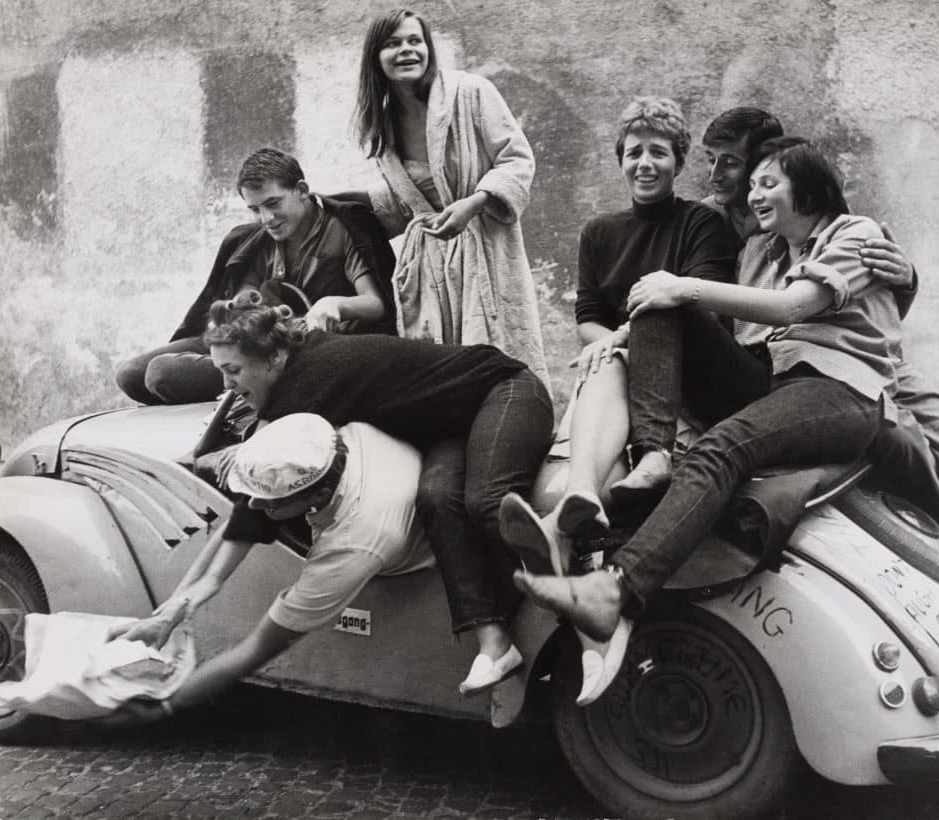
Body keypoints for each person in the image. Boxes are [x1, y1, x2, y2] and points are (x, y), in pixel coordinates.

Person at [510, 138, 902, 656]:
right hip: (774, 384)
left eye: (769, 183)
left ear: (806, 184)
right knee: (654, 298)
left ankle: (616, 591)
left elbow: (790, 308)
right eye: (753, 185)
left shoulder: (855, 233)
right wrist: (620, 336)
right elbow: (720, 322)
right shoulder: (764, 252)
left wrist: (685, 287)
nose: (755, 196)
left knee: (723, 446)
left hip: (842, 392)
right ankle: (652, 455)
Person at [700, 107, 939, 577]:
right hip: (789, 374)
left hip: (872, 369)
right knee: (886, 457)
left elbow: (873, 308)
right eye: (711, 160)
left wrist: (907, 279)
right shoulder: (715, 224)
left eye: (731, 163)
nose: (716, 175)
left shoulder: (840, 227)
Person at [500, 96, 736, 704]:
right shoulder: (600, 231)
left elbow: (695, 309)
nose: (645, 163)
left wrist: (620, 343)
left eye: (658, 152)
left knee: (634, 332)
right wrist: (611, 346)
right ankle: (578, 503)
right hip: (619, 372)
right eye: (634, 152)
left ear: (678, 161)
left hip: (688, 379)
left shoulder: (702, 224)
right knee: (596, 391)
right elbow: (586, 319)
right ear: (621, 161)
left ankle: (601, 611)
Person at [196, 294, 553, 694]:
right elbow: (258, 495)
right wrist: (193, 591)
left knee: (484, 500)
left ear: (273, 358)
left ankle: (561, 551)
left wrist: (208, 585)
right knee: (436, 497)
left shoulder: (310, 380)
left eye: (232, 370)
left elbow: (253, 508)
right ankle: (496, 645)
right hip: (451, 428)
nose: (225, 384)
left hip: (505, 391)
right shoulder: (293, 373)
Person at [108, 414, 434, 719]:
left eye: (270, 502)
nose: (253, 505)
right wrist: (179, 604)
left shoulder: (351, 542)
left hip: (392, 554)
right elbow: (244, 521)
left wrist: (166, 706)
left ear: (317, 494)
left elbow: (256, 649)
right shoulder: (340, 440)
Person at [341, 8, 548, 387]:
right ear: (375, 57)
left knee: (498, 365)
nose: (406, 51)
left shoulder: (470, 93)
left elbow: (517, 160)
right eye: (392, 44)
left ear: (428, 47)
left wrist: (475, 202)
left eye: (414, 41)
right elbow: (410, 200)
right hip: (431, 263)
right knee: (444, 374)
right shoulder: (383, 125)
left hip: (484, 247)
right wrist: (327, 203)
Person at [114, 148, 396, 405]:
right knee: (130, 374)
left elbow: (376, 304)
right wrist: (238, 305)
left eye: (273, 203)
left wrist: (335, 304)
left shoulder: (342, 229)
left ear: (301, 190)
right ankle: (240, 383)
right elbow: (243, 302)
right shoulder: (256, 240)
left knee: (161, 374)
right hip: (247, 338)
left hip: (296, 348)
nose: (266, 218)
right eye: (255, 209)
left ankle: (246, 386)